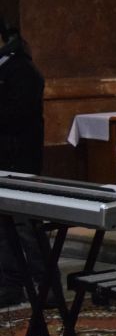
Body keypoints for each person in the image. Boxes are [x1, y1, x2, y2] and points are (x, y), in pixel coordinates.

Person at [0, 18, 45, 307]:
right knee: (3, 227)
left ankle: (47, 283)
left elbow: (18, 115)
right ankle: (10, 284)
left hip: (19, 159)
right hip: (4, 158)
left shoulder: (21, 69)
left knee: (26, 225)